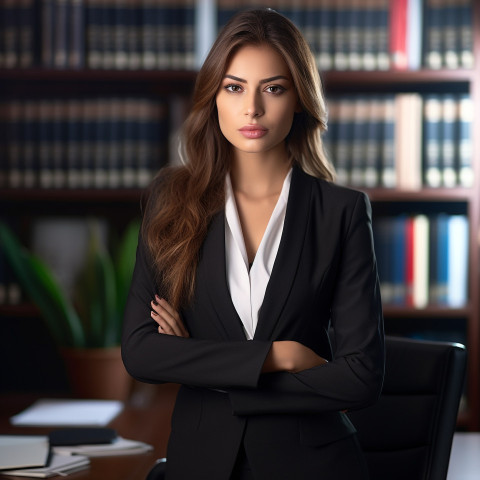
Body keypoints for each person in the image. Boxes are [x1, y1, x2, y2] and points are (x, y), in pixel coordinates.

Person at [122, 8, 384, 480]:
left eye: (274, 88)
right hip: (200, 462)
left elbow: (361, 376)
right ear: (213, 97)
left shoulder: (340, 212)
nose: (253, 109)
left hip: (313, 466)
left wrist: (203, 364)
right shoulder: (172, 200)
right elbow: (141, 352)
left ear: (299, 99)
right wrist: (279, 356)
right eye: (235, 86)